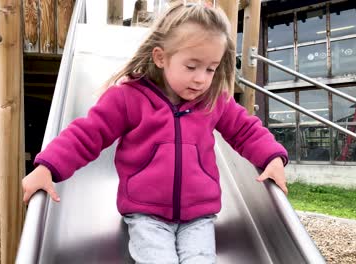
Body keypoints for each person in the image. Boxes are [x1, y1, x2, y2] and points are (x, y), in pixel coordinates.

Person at [22, 3, 288, 263]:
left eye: (211, 69)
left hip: (199, 214)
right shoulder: (129, 98)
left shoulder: (213, 100)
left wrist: (272, 157)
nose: (201, 79)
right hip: (146, 213)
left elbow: (245, 129)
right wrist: (48, 167)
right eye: (191, 66)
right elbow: (88, 134)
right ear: (161, 58)